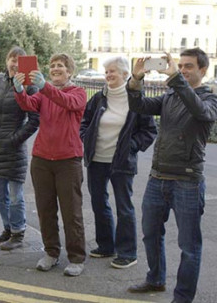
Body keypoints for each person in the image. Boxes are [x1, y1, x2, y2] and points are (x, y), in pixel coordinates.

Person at [126, 48, 217, 303]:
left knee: (189, 247)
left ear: (203, 70)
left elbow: (200, 112)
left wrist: (176, 78)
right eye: (181, 65)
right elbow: (138, 105)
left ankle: (183, 297)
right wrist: (136, 79)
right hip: (158, 177)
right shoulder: (170, 95)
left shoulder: (210, 99)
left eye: (189, 66)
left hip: (187, 181)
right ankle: (155, 279)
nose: (183, 70)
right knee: (151, 234)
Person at [13, 53, 87, 277]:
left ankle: (76, 257)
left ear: (69, 72)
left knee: (71, 211)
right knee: (45, 210)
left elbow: (66, 102)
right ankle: (51, 253)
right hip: (42, 160)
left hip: (68, 160)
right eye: (53, 65)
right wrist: (19, 90)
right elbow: (28, 104)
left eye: (61, 66)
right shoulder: (44, 93)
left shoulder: (79, 93)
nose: (55, 69)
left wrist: (44, 86)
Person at [80, 56, 157, 269]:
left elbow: (150, 131)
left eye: (113, 71)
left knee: (124, 207)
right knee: (98, 202)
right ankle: (106, 246)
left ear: (125, 74)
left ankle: (127, 252)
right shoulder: (98, 98)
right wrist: (85, 137)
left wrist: (130, 146)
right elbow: (84, 122)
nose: (108, 75)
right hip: (96, 159)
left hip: (122, 161)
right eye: (106, 72)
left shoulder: (136, 99)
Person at [0, 47, 39, 250]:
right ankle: (7, 228)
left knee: (16, 196)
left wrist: (15, 139)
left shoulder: (29, 86)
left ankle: (18, 232)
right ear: (6, 61)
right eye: (11, 59)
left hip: (14, 148)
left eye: (19, 60)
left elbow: (34, 120)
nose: (14, 63)